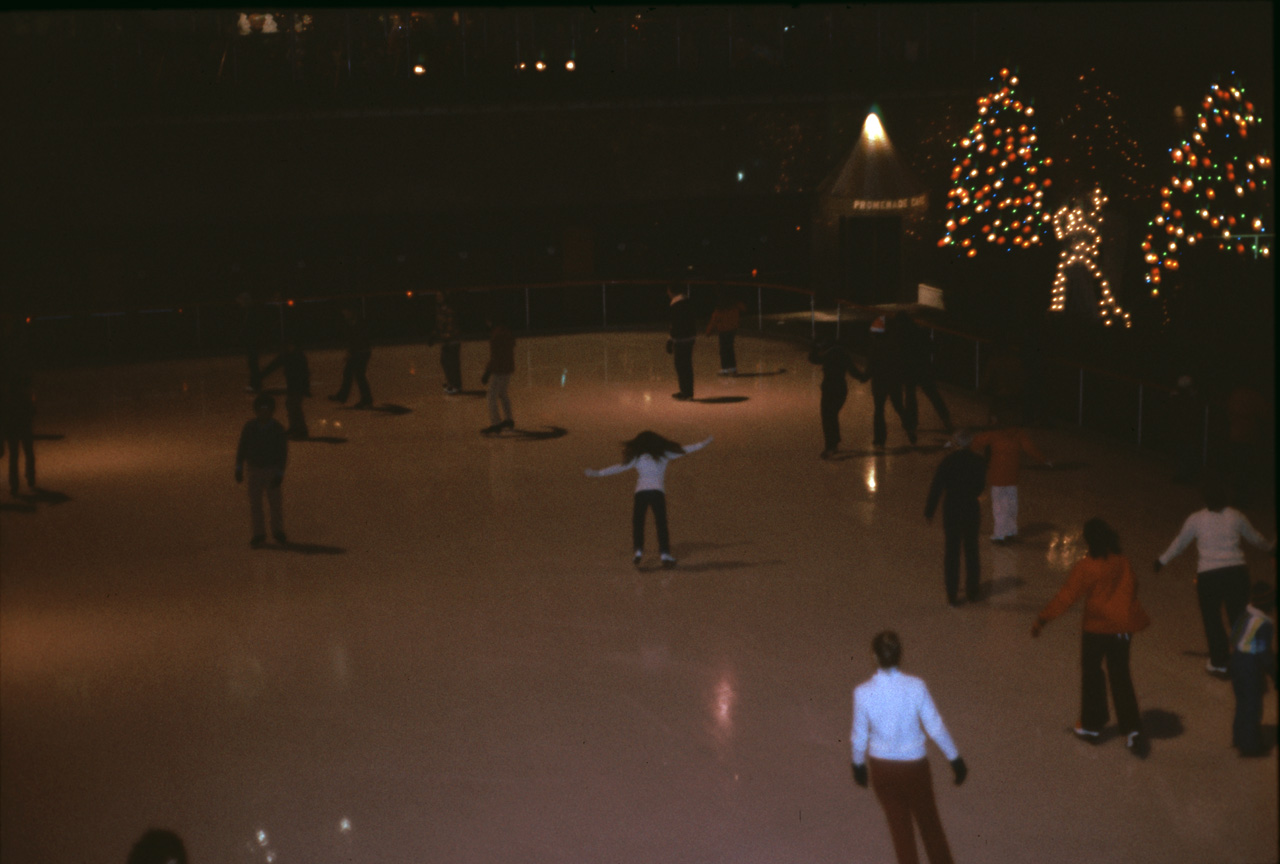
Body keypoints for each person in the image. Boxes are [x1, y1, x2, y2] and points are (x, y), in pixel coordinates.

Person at [1032, 518, 1150, 757]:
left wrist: (1043, 619)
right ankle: (1132, 728)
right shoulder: (1122, 562)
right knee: (1121, 677)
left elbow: (1067, 596)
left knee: (1092, 674)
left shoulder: (1087, 566)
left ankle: (1092, 724)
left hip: (1096, 629)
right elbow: (1133, 586)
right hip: (1122, 630)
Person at [851, 631, 966, 864]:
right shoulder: (916, 687)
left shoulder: (862, 693)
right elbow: (935, 726)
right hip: (914, 768)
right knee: (929, 823)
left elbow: (859, 734)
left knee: (900, 831)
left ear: (874, 656)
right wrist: (955, 759)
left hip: (882, 769)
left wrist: (858, 764)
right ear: (900, 655)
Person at [1154, 475, 1275, 676]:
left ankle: (1219, 662)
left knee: (1212, 620)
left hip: (1209, 576)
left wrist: (1161, 560)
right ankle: (1247, 659)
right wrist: (1270, 547)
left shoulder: (1196, 519)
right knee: (1238, 618)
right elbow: (1255, 538)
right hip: (1237, 574)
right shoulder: (1236, 516)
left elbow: (1179, 543)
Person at [584, 431, 712, 569]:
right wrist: (704, 443)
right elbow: (686, 449)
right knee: (661, 524)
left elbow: (618, 468)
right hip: (657, 492)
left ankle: (638, 551)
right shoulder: (664, 454)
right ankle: (664, 555)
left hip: (641, 493)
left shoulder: (638, 457)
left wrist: (597, 473)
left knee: (638, 522)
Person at [925, 428, 986, 606]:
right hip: (970, 508)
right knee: (971, 550)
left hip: (952, 508)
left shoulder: (948, 461)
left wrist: (929, 511)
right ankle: (972, 591)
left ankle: (952, 593)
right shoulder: (979, 461)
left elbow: (937, 486)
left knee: (952, 552)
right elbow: (980, 486)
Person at [969, 414, 1051, 543]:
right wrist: (1044, 459)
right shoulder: (1019, 434)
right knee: (1012, 504)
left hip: (997, 475)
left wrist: (966, 450)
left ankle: (999, 534)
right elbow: (1030, 448)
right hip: (1012, 475)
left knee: (999, 506)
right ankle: (1011, 531)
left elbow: (977, 442)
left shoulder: (994, 433)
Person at [1229, 581, 1276, 757]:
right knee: (1252, 706)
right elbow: (1264, 653)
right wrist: (1273, 672)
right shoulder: (1264, 624)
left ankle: (1238, 737)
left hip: (1237, 661)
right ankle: (1249, 746)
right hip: (1251, 666)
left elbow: (1233, 635)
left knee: (1242, 702)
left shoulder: (1245, 614)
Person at [235, 393, 288, 546]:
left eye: (267, 409)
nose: (263, 412)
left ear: (271, 411)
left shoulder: (277, 429)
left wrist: (279, 473)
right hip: (254, 469)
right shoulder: (249, 427)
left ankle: (277, 530)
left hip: (271, 470)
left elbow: (282, 453)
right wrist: (239, 467)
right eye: (261, 409)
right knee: (255, 503)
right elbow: (242, 448)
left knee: (275, 503)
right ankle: (259, 533)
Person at [808, 339, 868, 459]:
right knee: (832, 415)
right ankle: (833, 443)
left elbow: (814, 359)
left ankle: (831, 445)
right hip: (840, 389)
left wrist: (814, 348)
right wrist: (864, 377)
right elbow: (853, 371)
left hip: (830, 389)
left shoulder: (829, 354)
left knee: (828, 417)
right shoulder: (843, 354)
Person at [896, 312, 952, 434]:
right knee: (933, 394)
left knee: (910, 397)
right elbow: (933, 348)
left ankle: (911, 423)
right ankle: (946, 419)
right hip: (923, 368)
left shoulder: (901, 336)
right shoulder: (920, 333)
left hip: (909, 370)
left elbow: (898, 354)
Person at [868, 315, 915, 448]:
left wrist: (864, 376)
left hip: (879, 382)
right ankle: (909, 428)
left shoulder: (875, 346)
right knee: (899, 406)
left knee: (879, 410)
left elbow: (871, 365)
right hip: (894, 381)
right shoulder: (894, 345)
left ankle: (879, 439)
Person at [259, 339, 311, 440]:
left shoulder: (297, 355)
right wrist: (262, 375)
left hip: (298, 385)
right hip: (292, 384)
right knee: (290, 405)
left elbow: (305, 373)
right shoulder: (288, 355)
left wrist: (305, 387)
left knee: (294, 406)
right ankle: (295, 427)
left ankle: (301, 429)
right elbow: (274, 365)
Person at [328, 307, 373, 408]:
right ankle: (342, 396)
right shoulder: (350, 324)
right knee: (348, 373)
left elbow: (360, 339)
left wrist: (351, 352)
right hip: (357, 352)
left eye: (346, 313)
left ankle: (367, 399)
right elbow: (353, 340)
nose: (345, 315)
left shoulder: (359, 323)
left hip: (362, 352)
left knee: (359, 375)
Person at [481, 312, 515, 434]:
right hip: (508, 367)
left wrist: (487, 372)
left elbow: (495, 356)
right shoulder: (507, 331)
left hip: (499, 370)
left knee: (491, 396)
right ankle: (509, 419)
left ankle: (496, 423)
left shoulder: (495, 335)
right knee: (503, 393)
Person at [705, 291, 747, 376]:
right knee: (729, 349)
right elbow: (743, 308)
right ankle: (732, 368)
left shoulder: (720, 309)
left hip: (724, 330)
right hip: (732, 329)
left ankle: (725, 368)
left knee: (724, 350)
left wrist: (708, 332)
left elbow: (713, 321)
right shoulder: (734, 305)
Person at [667, 282, 697, 400]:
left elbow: (674, 325)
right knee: (687, 365)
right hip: (690, 337)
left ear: (672, 291)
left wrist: (671, 340)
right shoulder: (688, 302)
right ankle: (687, 391)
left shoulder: (675, 305)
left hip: (681, 339)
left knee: (681, 365)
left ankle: (686, 392)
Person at [433, 291, 463, 394]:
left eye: (440, 296)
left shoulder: (449, 310)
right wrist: (435, 335)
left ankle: (457, 385)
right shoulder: (439, 310)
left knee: (453, 363)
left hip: (452, 341)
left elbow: (451, 327)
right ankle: (451, 383)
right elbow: (439, 325)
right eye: (437, 296)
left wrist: (445, 338)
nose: (437, 298)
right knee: (445, 362)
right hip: (445, 341)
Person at [237, 290, 265, 393]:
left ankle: (256, 384)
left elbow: (252, 327)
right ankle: (255, 384)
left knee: (253, 364)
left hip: (253, 341)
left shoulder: (251, 312)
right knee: (253, 363)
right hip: (251, 341)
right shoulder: (249, 311)